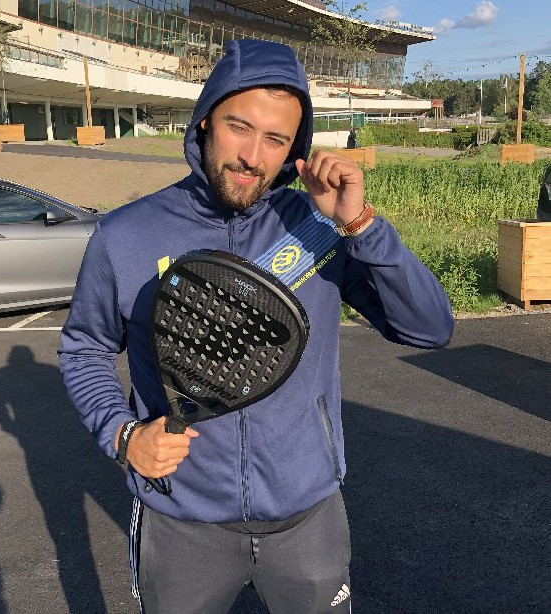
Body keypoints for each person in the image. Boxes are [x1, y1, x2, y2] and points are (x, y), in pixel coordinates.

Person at [59, 39, 453, 614]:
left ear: (296, 148)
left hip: (307, 519)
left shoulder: (319, 227)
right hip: (182, 521)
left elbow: (430, 328)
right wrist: (123, 436)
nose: (252, 156)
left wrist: (361, 226)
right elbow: (85, 349)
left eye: (275, 139)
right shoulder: (125, 235)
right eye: (238, 127)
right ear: (205, 120)